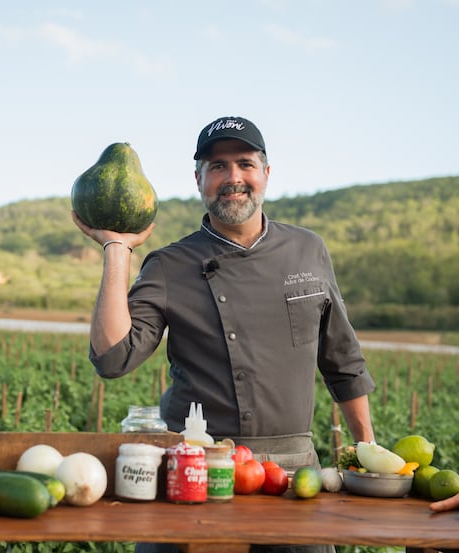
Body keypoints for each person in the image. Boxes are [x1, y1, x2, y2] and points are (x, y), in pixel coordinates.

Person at [72, 116, 376, 553]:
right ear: (198, 179)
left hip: (294, 479)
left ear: (266, 174)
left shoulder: (308, 249)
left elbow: (342, 362)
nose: (233, 177)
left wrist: (367, 453)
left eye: (245, 163)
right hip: (193, 473)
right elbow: (113, 358)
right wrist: (117, 248)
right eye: (217, 166)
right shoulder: (169, 264)